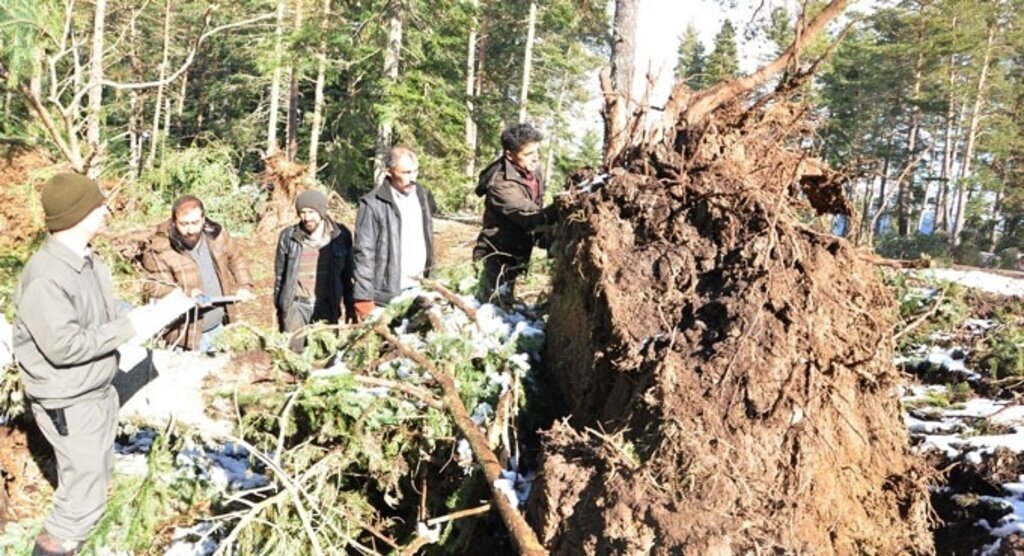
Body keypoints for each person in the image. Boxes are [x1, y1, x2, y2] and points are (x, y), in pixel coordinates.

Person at [12, 173, 140, 555]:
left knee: (91, 490)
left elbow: (97, 319)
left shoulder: (88, 262)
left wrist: (144, 316)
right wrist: (129, 327)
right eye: (98, 205)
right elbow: (64, 347)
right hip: (70, 403)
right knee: (78, 507)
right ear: (77, 214)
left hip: (94, 394)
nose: (106, 210)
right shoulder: (46, 276)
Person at [141, 195, 254, 352]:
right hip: (185, 335)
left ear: (203, 219)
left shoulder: (216, 236)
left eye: (195, 223)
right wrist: (187, 293)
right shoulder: (160, 249)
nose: (190, 230)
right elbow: (155, 287)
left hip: (220, 327)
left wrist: (244, 285)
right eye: (184, 224)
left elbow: (237, 258)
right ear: (173, 222)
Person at [473, 123, 558, 302]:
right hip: (496, 256)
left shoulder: (532, 169)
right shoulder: (500, 183)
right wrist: (563, 206)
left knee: (506, 302)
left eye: (536, 152)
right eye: (528, 154)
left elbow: (536, 207)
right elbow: (529, 216)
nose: (535, 158)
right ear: (509, 155)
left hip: (519, 248)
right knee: (492, 306)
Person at [353, 146, 436, 319]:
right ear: (389, 172)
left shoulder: (423, 196)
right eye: (406, 173)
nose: (413, 178)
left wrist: (432, 281)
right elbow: (363, 253)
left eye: (415, 171)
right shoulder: (373, 204)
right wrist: (363, 298)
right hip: (387, 295)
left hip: (420, 288)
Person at [273, 190, 355, 351]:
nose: (306, 217)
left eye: (311, 212)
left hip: (327, 305)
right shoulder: (288, 236)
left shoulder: (340, 235)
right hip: (296, 307)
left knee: (325, 354)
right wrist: (281, 309)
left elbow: (348, 275)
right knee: (293, 355)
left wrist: (350, 306)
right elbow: (280, 276)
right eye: (302, 212)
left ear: (321, 211)